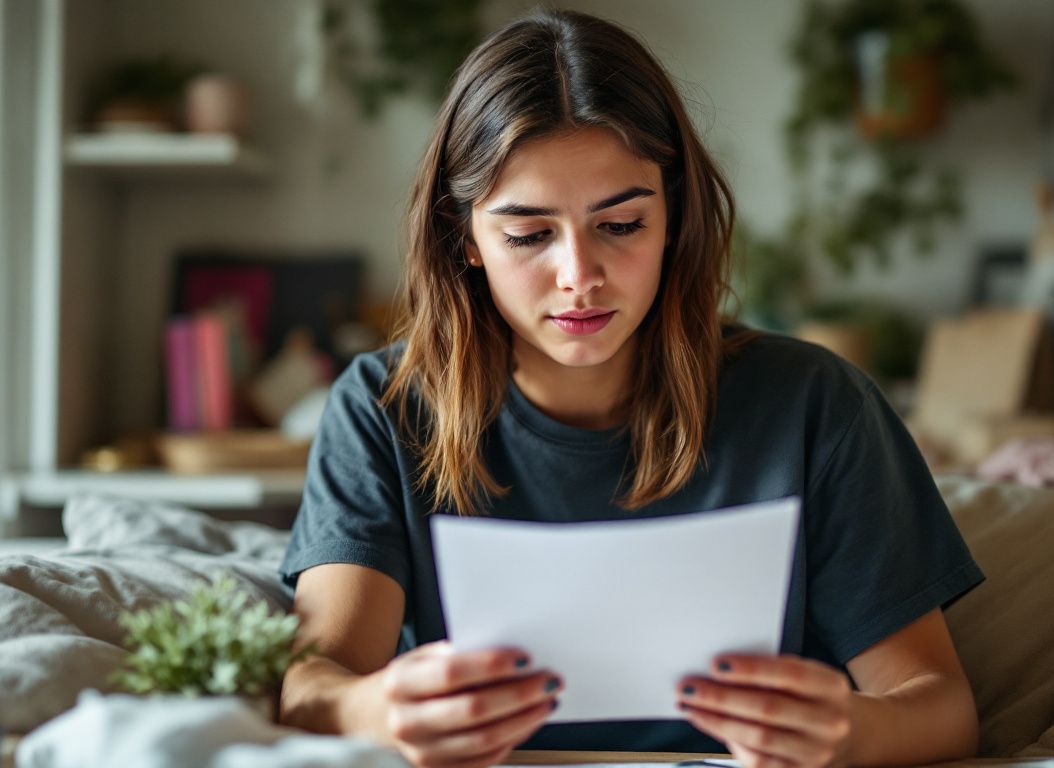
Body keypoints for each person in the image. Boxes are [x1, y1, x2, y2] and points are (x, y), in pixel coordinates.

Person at [278, 9, 984, 768]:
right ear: (464, 238)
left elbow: (940, 707)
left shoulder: (813, 404)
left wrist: (850, 732)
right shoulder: (385, 407)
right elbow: (314, 686)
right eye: (528, 235)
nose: (579, 276)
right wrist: (371, 709)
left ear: (675, 217)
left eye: (621, 225)